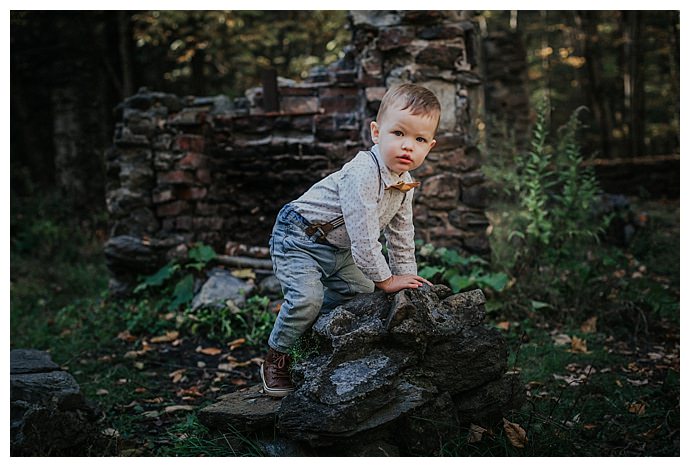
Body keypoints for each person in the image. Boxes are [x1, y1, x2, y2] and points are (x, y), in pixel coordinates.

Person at [261, 83, 440, 397]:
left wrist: (404, 279)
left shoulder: (405, 182)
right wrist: (386, 280)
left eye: (419, 139)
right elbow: (366, 239)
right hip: (299, 236)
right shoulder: (363, 174)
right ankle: (277, 356)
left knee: (360, 290)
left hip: (337, 248)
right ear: (376, 132)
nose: (407, 146)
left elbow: (401, 235)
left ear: (430, 146)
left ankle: (305, 328)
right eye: (398, 133)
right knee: (306, 298)